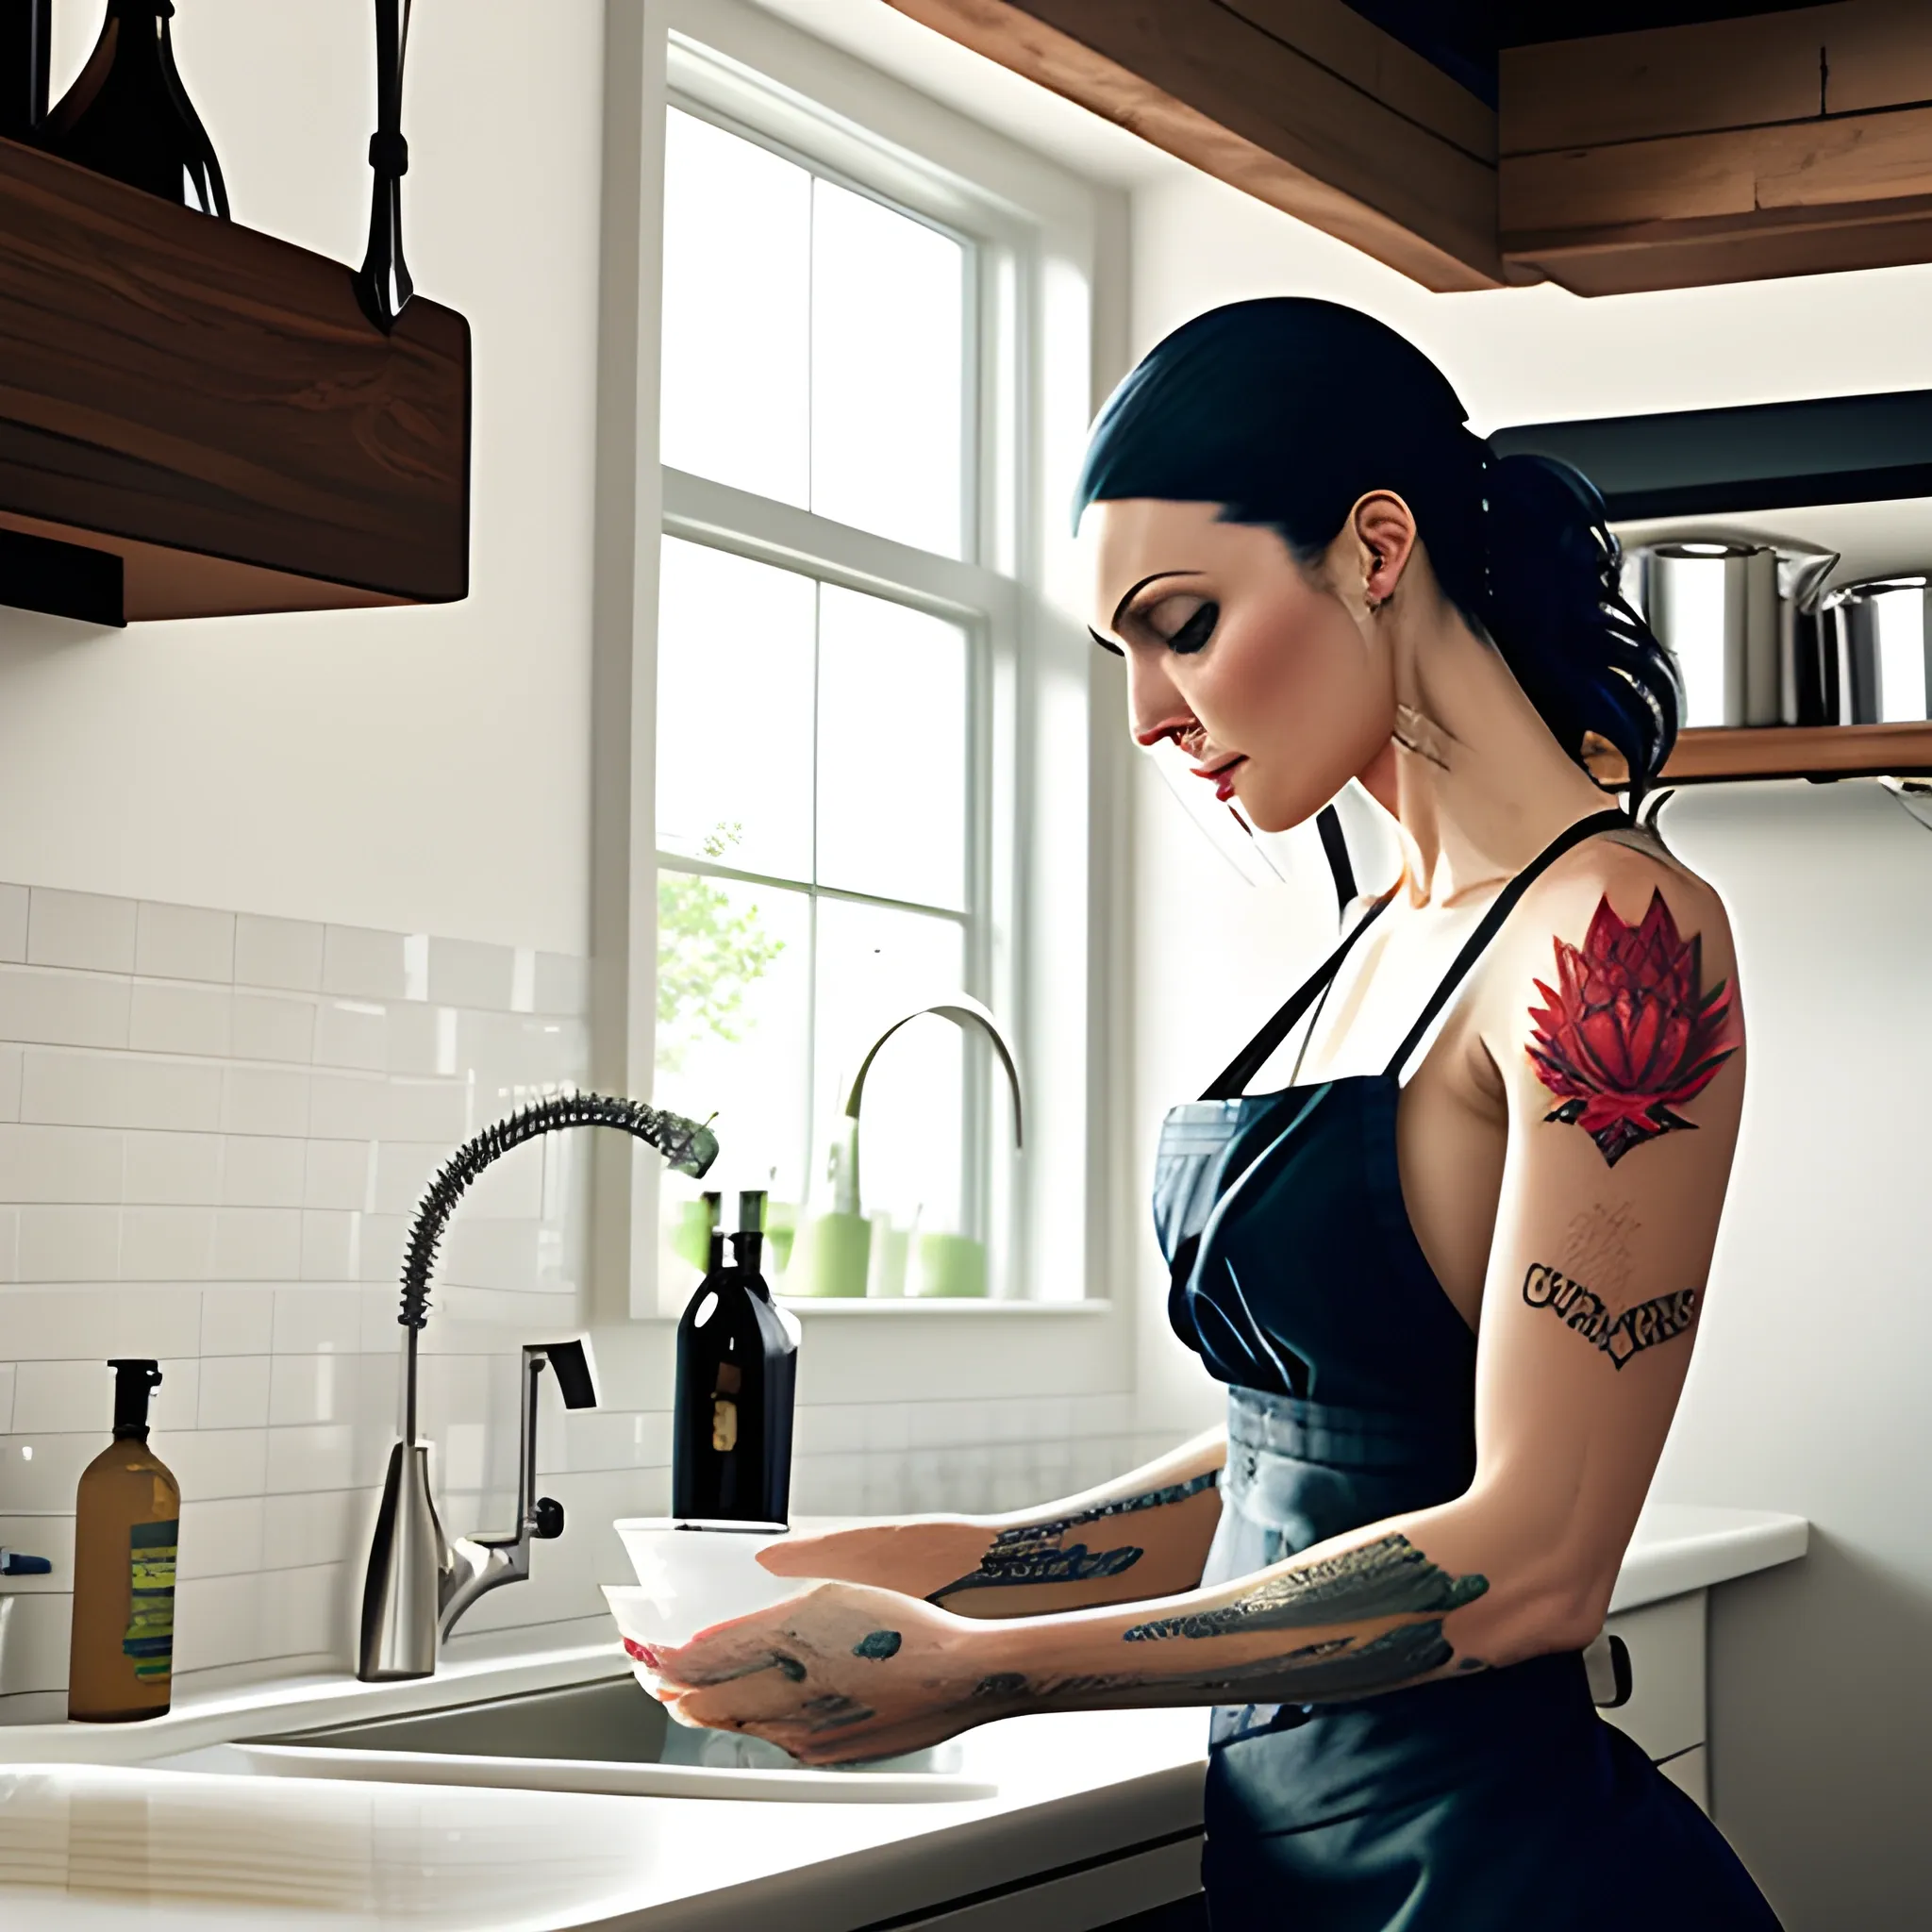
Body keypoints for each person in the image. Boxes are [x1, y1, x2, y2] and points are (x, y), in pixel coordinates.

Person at [648, 299, 1783, 1929]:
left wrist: (996, 1666)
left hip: (1496, 1883)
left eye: (1181, 621)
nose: (1147, 712)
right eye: (1122, 651)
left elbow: (1534, 1560)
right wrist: (970, 1557)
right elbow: (1312, 1439)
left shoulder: (1617, 942)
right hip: (1288, 1872)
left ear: (1374, 549)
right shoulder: (1377, 933)